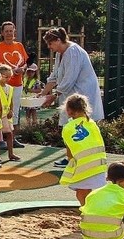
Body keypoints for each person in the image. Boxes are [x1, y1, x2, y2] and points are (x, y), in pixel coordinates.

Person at [39, 27, 103, 168]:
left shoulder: (73, 52)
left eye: (50, 43)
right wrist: (43, 93)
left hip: (82, 95)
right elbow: (55, 76)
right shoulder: (59, 54)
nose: (49, 47)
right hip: (69, 95)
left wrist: (54, 95)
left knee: (82, 127)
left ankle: (83, 159)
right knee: (68, 126)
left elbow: (69, 79)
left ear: (58, 40)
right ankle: (70, 158)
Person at [60, 93, 108, 207]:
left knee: (81, 193)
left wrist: (71, 165)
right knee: (90, 192)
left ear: (68, 111)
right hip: (100, 165)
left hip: (83, 167)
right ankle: (92, 209)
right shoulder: (92, 124)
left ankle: (87, 211)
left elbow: (70, 153)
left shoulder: (68, 128)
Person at [0, 21, 28, 136]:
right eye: (6, 31)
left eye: (11, 31)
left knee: (14, 110)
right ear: (2, 33)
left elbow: (25, 62)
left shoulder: (19, 46)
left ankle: (13, 136)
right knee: (2, 109)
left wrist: (22, 69)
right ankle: (0, 136)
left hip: (17, 83)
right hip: (3, 85)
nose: (9, 33)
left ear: (14, 32)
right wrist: (5, 72)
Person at [0, 64, 20, 160]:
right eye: (6, 77)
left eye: (10, 77)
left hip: (7, 115)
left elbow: (11, 101)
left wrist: (11, 110)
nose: (8, 79)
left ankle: (11, 154)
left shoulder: (10, 88)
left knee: (9, 133)